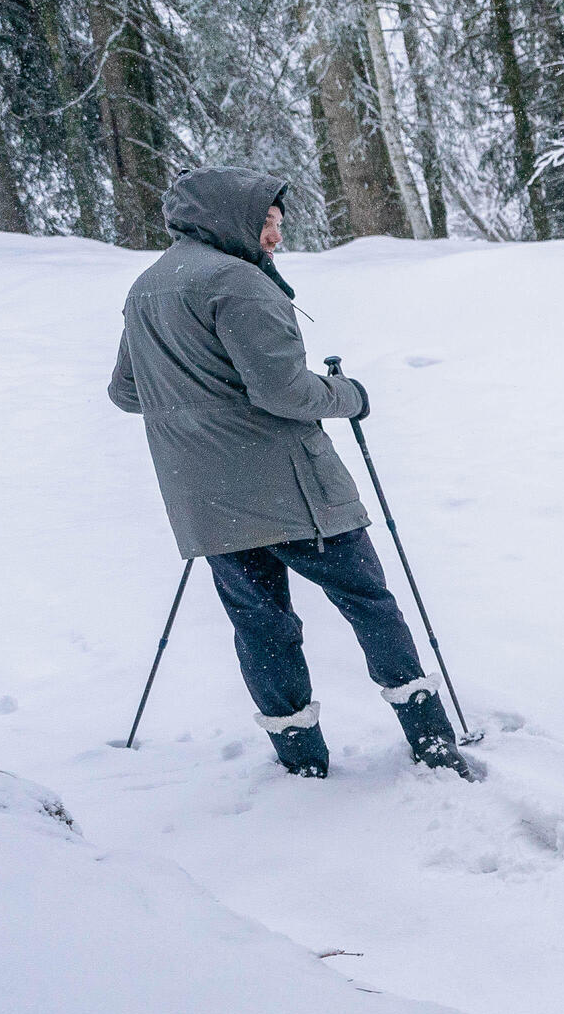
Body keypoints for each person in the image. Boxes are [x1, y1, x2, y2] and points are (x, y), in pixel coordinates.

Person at [108, 168, 468, 781]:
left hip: (208, 504)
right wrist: (350, 394)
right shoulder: (238, 283)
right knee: (369, 603)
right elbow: (284, 392)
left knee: (260, 627)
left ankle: (301, 761)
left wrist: (200, 407)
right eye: (267, 223)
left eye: (278, 224)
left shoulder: (147, 288)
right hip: (296, 495)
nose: (276, 236)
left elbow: (126, 392)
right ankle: (431, 739)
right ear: (230, 218)